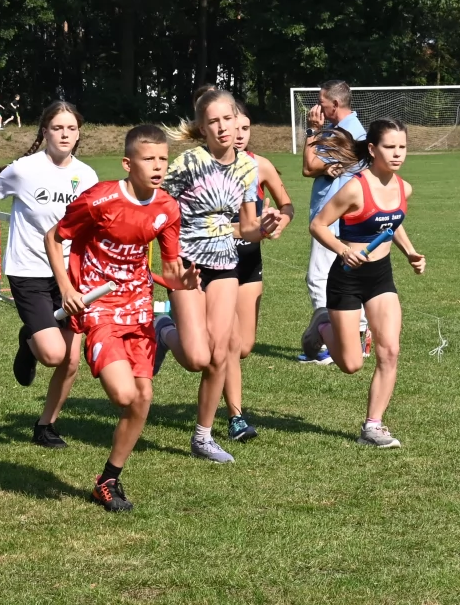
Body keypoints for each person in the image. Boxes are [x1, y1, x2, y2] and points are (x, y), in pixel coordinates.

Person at [45, 125, 194, 511]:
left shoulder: (168, 208)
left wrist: (183, 279)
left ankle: (108, 480)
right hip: (100, 306)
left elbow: (170, 268)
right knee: (125, 394)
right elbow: (53, 237)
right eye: (149, 159)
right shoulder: (100, 199)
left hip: (139, 307)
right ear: (128, 163)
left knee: (143, 398)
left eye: (163, 159)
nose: (158, 166)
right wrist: (67, 288)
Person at [0, 101, 98, 448]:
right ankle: (29, 340)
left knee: (71, 360)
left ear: (78, 133)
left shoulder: (88, 176)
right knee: (52, 354)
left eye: (71, 128)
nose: (65, 134)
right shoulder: (24, 170)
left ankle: (46, 426)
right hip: (28, 271)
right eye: (57, 128)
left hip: (70, 274)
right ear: (45, 131)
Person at [151, 88, 262, 463]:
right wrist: (168, 259)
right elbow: (159, 207)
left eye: (228, 119)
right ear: (202, 127)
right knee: (197, 358)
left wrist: (266, 226)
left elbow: (247, 227)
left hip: (226, 266)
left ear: (237, 119)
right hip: (187, 265)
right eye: (214, 121)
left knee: (221, 352)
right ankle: (163, 329)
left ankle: (203, 437)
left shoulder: (248, 167)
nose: (223, 127)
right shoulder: (189, 163)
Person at [306, 119, 425, 448]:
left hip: (380, 277)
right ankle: (322, 325)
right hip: (346, 277)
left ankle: (372, 426)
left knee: (390, 351)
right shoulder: (355, 188)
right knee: (351, 363)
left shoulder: (404, 188)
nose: (397, 153)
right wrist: (343, 250)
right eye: (390, 147)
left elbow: (392, 223)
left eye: (402, 147)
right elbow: (318, 225)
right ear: (372, 149)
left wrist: (410, 252)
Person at [224, 109, 294, 442]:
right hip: (216, 264)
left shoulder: (261, 165)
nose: (239, 134)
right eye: (234, 127)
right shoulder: (205, 167)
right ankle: (235, 417)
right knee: (229, 343)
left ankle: (174, 331)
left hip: (249, 262)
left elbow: (287, 205)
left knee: (244, 346)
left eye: (246, 128)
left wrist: (279, 222)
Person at [302, 79, 368, 364]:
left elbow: (308, 167)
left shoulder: (346, 133)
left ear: (336, 103)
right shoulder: (343, 129)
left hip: (332, 219)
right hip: (342, 217)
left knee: (319, 278)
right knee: (347, 278)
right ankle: (359, 337)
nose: (318, 107)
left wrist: (312, 131)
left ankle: (334, 343)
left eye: (322, 102)